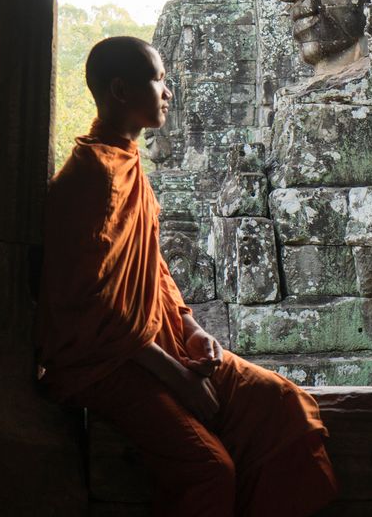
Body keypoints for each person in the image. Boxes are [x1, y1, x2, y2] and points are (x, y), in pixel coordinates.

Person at [33, 36, 339, 517]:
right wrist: (177, 377)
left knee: (285, 406)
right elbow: (95, 305)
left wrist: (192, 328)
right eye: (158, 79)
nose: (168, 91)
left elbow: (150, 269)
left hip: (160, 339)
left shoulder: (127, 163)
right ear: (119, 90)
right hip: (108, 363)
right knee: (209, 471)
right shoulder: (91, 176)